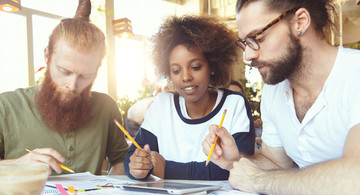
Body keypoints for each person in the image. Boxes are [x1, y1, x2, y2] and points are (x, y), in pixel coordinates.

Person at [202, 0, 360, 195]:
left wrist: (261, 180)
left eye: (257, 37)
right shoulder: (274, 91)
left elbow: (355, 183)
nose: (248, 55)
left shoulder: (354, 76)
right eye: (244, 43)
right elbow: (276, 164)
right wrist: (236, 160)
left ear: (300, 22)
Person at [0, 0, 129, 175]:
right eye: (64, 71)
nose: (73, 85)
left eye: (86, 76)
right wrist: (16, 164)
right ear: (47, 56)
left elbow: (120, 161)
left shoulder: (106, 107)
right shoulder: (6, 107)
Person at [124, 15, 255, 180]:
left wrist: (168, 170)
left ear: (212, 66)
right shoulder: (162, 105)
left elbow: (237, 166)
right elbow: (132, 157)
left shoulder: (234, 104)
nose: (185, 77)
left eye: (195, 67)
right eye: (176, 70)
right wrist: (137, 167)